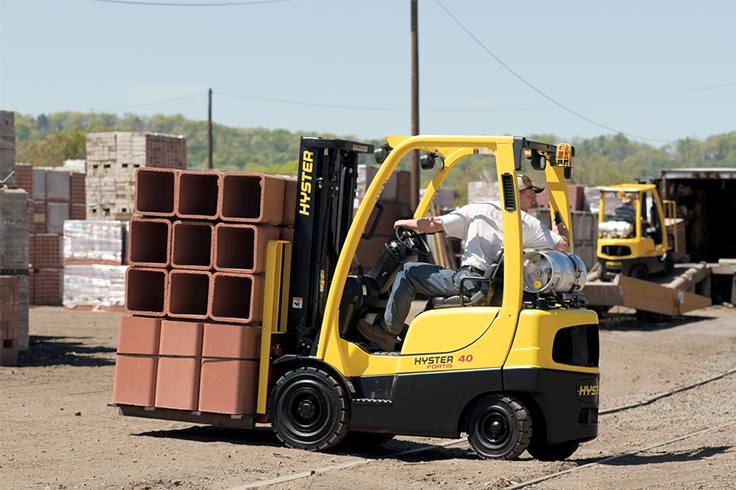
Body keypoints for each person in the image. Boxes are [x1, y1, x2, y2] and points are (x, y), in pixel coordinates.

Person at [357, 175, 569, 351]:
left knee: (408, 272)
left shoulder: (477, 210)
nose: (532, 200)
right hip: (488, 285)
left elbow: (434, 224)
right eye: (530, 196)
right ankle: (413, 339)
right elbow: (562, 245)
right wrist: (557, 223)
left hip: (470, 280)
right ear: (514, 194)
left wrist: (406, 222)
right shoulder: (527, 223)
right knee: (432, 300)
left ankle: (387, 332)